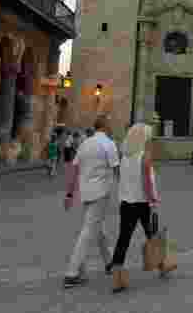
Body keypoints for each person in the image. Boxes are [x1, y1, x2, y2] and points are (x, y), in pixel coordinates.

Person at [62, 115, 120, 289]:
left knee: (98, 228)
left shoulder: (85, 143)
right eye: (110, 123)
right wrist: (126, 192)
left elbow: (74, 168)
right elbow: (117, 170)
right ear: (105, 126)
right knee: (88, 231)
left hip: (86, 192)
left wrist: (70, 194)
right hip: (101, 192)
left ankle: (109, 262)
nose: (111, 126)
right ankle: (72, 273)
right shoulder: (109, 144)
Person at [109, 123, 161, 293]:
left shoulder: (125, 157)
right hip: (142, 203)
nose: (150, 140)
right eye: (148, 137)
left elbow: (121, 179)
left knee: (123, 239)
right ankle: (163, 264)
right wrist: (153, 201)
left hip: (126, 203)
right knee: (152, 234)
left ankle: (117, 277)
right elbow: (147, 183)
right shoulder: (144, 157)